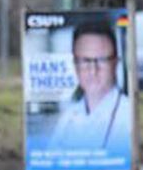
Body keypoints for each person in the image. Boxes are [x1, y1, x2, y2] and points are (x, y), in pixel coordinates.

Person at [50, 19, 131, 153]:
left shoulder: (127, 114)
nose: (93, 70)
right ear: (75, 65)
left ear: (116, 63)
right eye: (85, 61)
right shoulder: (68, 117)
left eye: (101, 60)